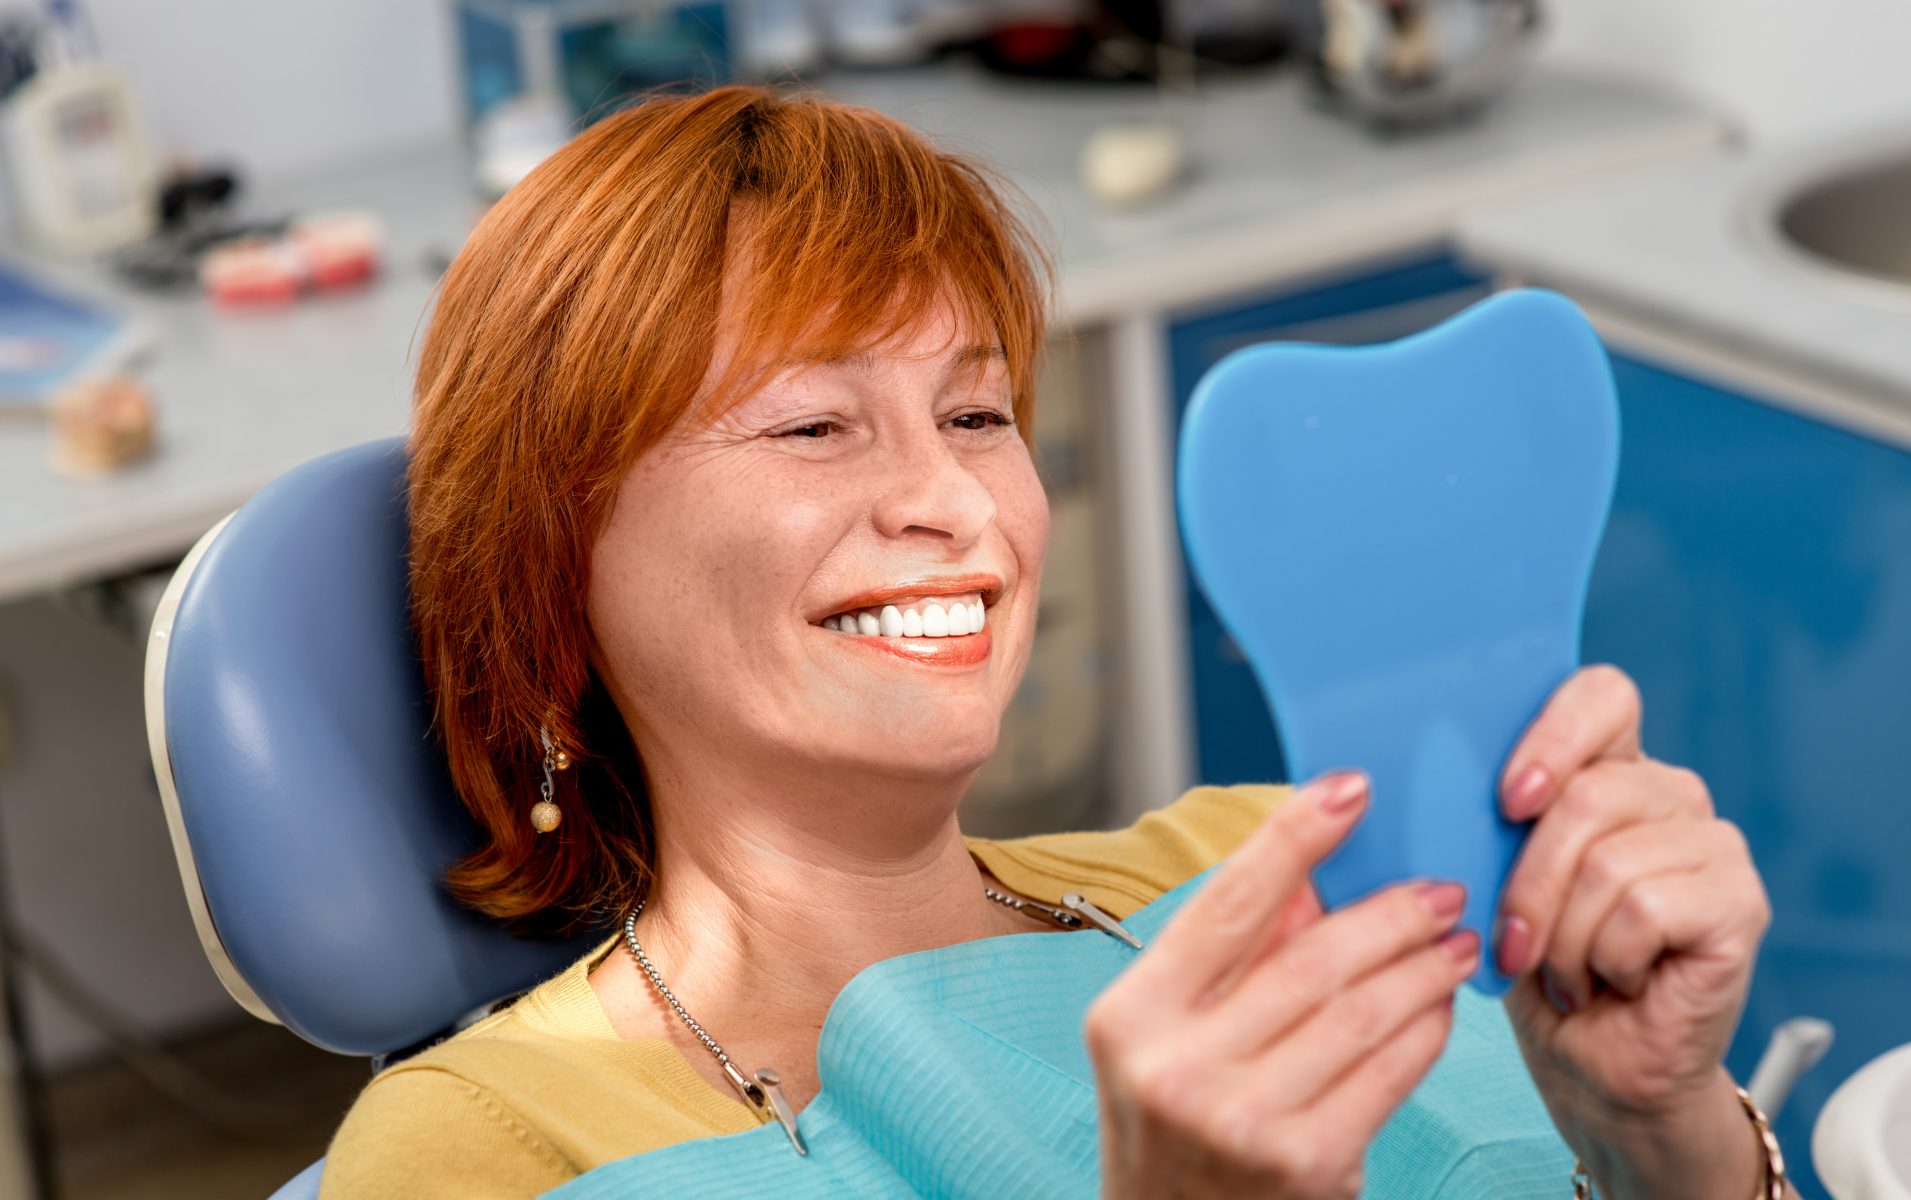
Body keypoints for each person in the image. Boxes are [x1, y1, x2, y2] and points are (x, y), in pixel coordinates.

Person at [323, 84, 1786, 1199]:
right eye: (817, 426)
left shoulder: (1273, 864)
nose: (956, 501)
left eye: (978, 416)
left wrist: (1665, 1135)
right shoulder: (483, 1151)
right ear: (554, 558)